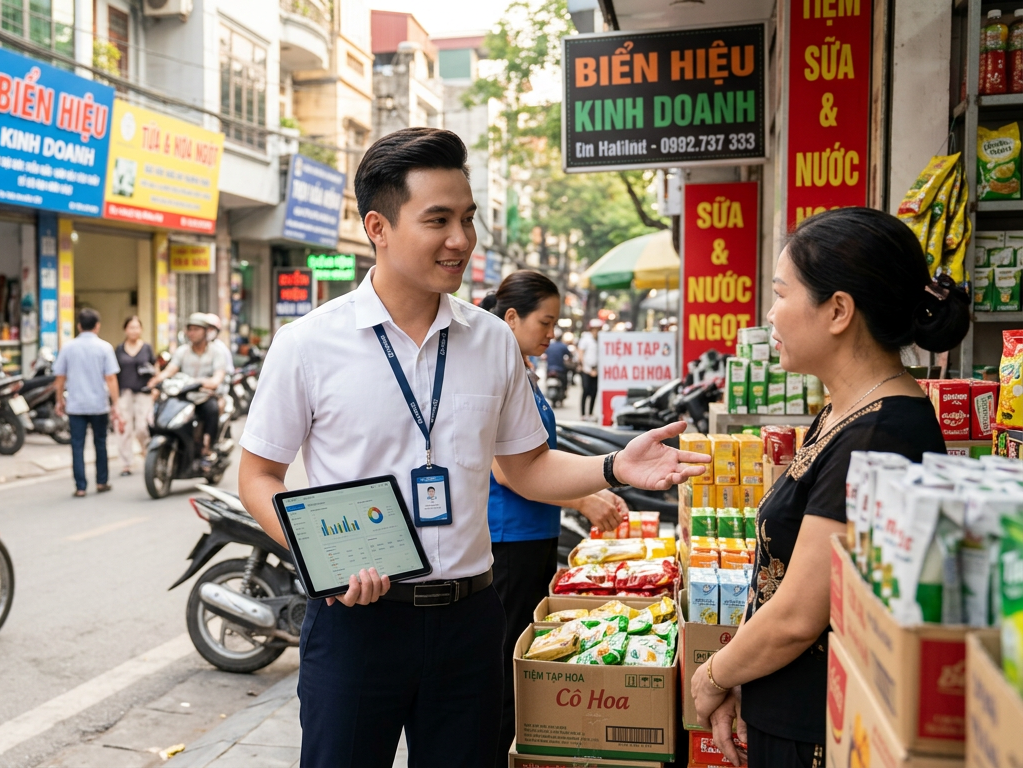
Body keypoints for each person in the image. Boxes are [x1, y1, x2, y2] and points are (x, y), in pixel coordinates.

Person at [236, 127, 708, 768]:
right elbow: (259, 474)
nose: (461, 239)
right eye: (438, 220)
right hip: (357, 625)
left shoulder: (490, 341)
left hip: (471, 620)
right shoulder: (308, 344)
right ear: (378, 226)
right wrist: (323, 557)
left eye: (467, 218)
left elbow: (526, 466)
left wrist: (612, 466)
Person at [691, 207, 970, 768]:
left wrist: (712, 674)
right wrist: (744, 671)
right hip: (789, 711)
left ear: (838, 310)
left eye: (780, 293)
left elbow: (799, 616)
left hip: (821, 730)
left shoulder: (881, 433)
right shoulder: (847, 409)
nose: (770, 313)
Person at [479, 271, 630, 766]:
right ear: (511, 318)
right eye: (545, 322)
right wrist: (585, 500)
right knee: (507, 665)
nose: (552, 333)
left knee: (524, 657)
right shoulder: (495, 372)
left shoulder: (524, 370)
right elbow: (506, 470)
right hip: (508, 539)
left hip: (534, 535)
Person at [54, 308, 124, 497]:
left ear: (79, 326)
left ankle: (80, 486)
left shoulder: (68, 347)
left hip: (76, 405)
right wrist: (115, 404)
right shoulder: (105, 348)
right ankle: (102, 482)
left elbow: (60, 378)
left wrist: (59, 400)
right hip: (98, 404)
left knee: (77, 445)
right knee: (100, 443)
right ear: (97, 326)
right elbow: (111, 378)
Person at [149, 313, 229, 466]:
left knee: (211, 409)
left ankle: (207, 447)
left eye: (196, 329)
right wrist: (156, 380)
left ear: (205, 331)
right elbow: (170, 370)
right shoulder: (182, 351)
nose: (192, 333)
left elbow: (217, 377)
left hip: (205, 396)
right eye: (190, 329)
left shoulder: (216, 352)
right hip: (184, 396)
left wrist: (206, 382)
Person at [114, 316, 155, 476]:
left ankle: (148, 453)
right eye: (131, 327)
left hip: (143, 393)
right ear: (125, 330)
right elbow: (114, 374)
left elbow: (154, 369)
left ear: (141, 329)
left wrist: (153, 386)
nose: (134, 330)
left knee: (142, 427)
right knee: (124, 429)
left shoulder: (146, 348)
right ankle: (126, 464)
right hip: (125, 393)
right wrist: (114, 399)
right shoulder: (119, 349)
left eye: (137, 327)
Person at [577, 319, 601, 419]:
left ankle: (590, 413)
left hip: (597, 370)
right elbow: (581, 355)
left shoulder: (601, 340)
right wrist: (588, 370)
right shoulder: (585, 340)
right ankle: (583, 414)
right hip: (586, 370)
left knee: (594, 392)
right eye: (595, 329)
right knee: (586, 390)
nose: (597, 332)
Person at [544, 326, 572, 399]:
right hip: (561, 370)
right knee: (565, 382)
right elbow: (569, 356)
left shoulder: (548, 346)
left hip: (549, 369)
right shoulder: (563, 346)